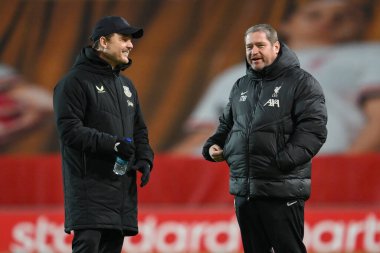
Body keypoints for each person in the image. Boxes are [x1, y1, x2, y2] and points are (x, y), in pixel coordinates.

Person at [175, 0, 380, 155]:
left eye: (345, 16)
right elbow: (207, 136)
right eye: (314, 14)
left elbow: (377, 118)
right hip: (232, 178)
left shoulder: (370, 54)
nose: (328, 21)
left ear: (362, 24)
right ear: (286, 24)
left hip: (317, 165)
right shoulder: (235, 74)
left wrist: (347, 169)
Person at [202, 24, 327, 252]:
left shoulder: (302, 82)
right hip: (245, 191)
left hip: (281, 190)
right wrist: (214, 145)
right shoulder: (240, 85)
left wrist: (281, 162)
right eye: (249, 46)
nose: (253, 51)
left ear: (276, 47)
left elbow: (314, 130)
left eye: (260, 45)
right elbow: (226, 125)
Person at [53, 16, 154, 253]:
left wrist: (145, 157)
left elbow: (139, 129)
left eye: (131, 40)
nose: (130, 45)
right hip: (89, 191)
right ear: (103, 42)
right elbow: (70, 131)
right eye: (124, 39)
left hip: (120, 192)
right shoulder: (73, 82)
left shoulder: (127, 86)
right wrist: (115, 145)